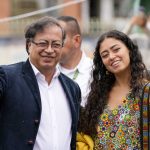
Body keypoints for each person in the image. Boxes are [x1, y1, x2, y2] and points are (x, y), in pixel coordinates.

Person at [0, 16, 81, 150]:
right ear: (29, 45)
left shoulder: (72, 88)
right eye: (43, 43)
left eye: (56, 44)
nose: (49, 50)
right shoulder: (7, 77)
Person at [78, 30, 150, 149]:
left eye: (116, 49)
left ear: (130, 50)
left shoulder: (146, 92)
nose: (111, 56)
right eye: (105, 55)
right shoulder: (99, 95)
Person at [57, 16, 93, 107]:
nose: (52, 46)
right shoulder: (44, 74)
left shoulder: (97, 72)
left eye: (58, 40)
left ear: (76, 40)